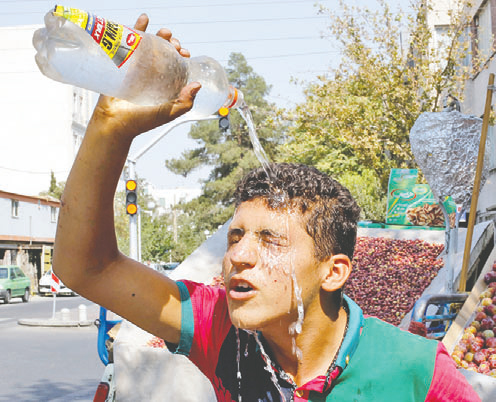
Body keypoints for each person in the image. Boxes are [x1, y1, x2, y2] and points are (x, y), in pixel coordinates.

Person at [52, 14, 480, 402]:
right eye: (236, 236)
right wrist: (110, 127)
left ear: (333, 271)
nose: (237, 255)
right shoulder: (220, 327)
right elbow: (87, 269)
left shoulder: (417, 372)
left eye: (270, 240)